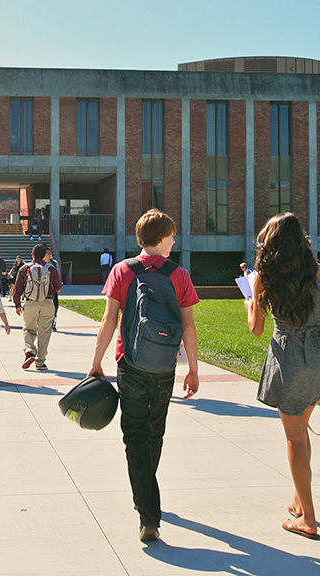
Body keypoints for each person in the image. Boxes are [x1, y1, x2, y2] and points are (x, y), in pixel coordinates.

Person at [88, 208, 200, 542]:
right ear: (162, 239)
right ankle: (147, 493)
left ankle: (147, 510)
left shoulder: (122, 271)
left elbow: (109, 321)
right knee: (155, 432)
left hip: (131, 364)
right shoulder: (178, 274)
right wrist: (193, 369)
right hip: (165, 367)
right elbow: (189, 325)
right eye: (172, 236)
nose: (175, 241)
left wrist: (96, 362)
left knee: (134, 436)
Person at [244, 212, 320, 541]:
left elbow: (257, 330)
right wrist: (316, 323)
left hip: (287, 360)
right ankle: (300, 502)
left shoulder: (265, 276)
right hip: (317, 359)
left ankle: (309, 520)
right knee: (301, 434)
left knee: (294, 439)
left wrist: (249, 307)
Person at [12, 244, 62, 371]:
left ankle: (29, 351)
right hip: (47, 302)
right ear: (44, 255)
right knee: (45, 332)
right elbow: (58, 287)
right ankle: (40, 362)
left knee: (28, 329)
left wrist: (17, 304)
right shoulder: (51, 269)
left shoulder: (25, 268)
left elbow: (17, 288)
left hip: (30, 303)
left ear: (32, 255)